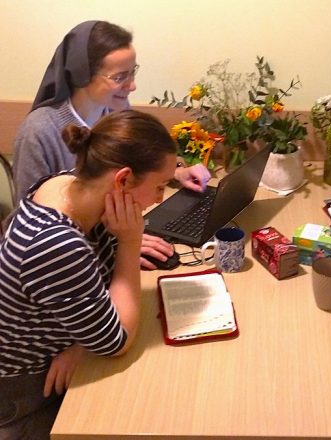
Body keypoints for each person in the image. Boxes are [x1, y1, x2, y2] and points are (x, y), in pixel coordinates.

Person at [0, 109, 178, 439]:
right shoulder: (57, 244)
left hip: (58, 346)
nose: (159, 198)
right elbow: (117, 340)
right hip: (24, 392)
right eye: (161, 186)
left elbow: (100, 280)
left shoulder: (68, 184)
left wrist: (83, 343)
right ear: (123, 179)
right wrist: (130, 241)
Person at [11, 20, 209, 269]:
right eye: (119, 77)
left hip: (110, 237)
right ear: (82, 76)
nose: (132, 85)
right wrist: (121, 247)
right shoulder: (38, 132)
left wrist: (176, 173)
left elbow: (136, 165)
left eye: (132, 72)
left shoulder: (114, 110)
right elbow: (32, 228)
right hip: (66, 259)